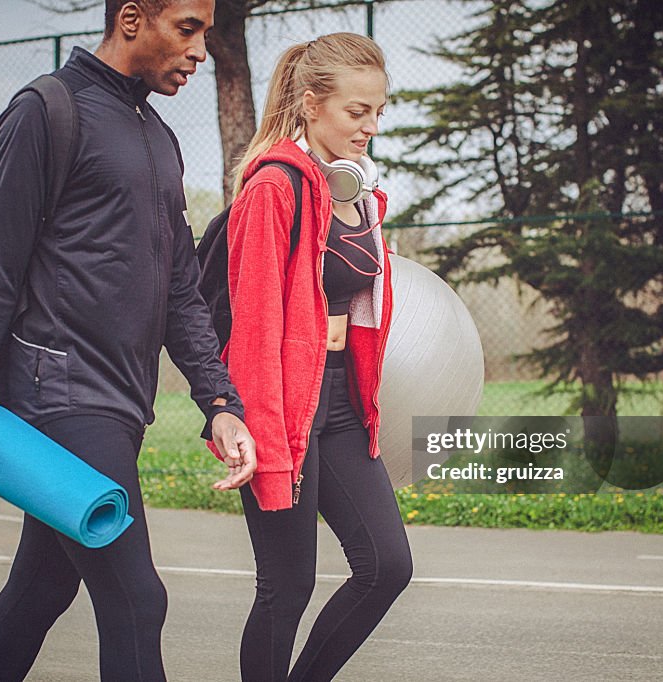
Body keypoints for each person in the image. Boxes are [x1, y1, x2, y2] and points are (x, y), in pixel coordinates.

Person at [0, 1, 256, 680]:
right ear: (132, 18)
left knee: (42, 587)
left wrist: (219, 401)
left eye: (206, 33)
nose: (201, 50)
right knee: (137, 600)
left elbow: (180, 291)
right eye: (188, 29)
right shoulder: (45, 110)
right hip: (59, 395)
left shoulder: (158, 140)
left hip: (119, 401)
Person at [211, 32, 413, 681]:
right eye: (358, 111)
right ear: (311, 103)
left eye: (379, 112)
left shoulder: (358, 193)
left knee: (386, 565)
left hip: (339, 401)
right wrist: (257, 431)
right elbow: (255, 328)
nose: (371, 126)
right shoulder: (273, 187)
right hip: (278, 401)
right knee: (286, 586)